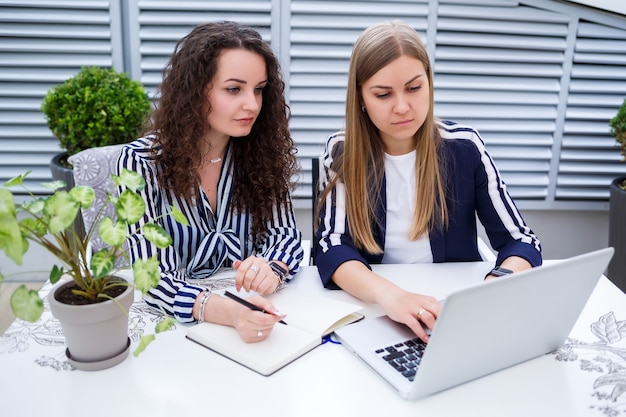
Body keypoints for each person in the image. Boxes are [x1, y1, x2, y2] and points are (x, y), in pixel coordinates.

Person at [314, 21, 542, 343]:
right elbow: (331, 246)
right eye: (383, 94)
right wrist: (392, 296)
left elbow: (521, 240)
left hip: (455, 313)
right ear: (361, 98)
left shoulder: (465, 148)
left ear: (430, 85)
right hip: (376, 313)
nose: (403, 107)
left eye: (414, 88)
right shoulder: (341, 152)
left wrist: (498, 282)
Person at [118, 21, 304, 343]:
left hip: (262, 314)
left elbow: (285, 234)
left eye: (259, 89)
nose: (252, 104)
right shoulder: (140, 163)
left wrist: (270, 268)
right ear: (194, 91)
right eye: (234, 89)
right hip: (174, 328)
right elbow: (153, 278)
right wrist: (228, 311)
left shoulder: (262, 151)